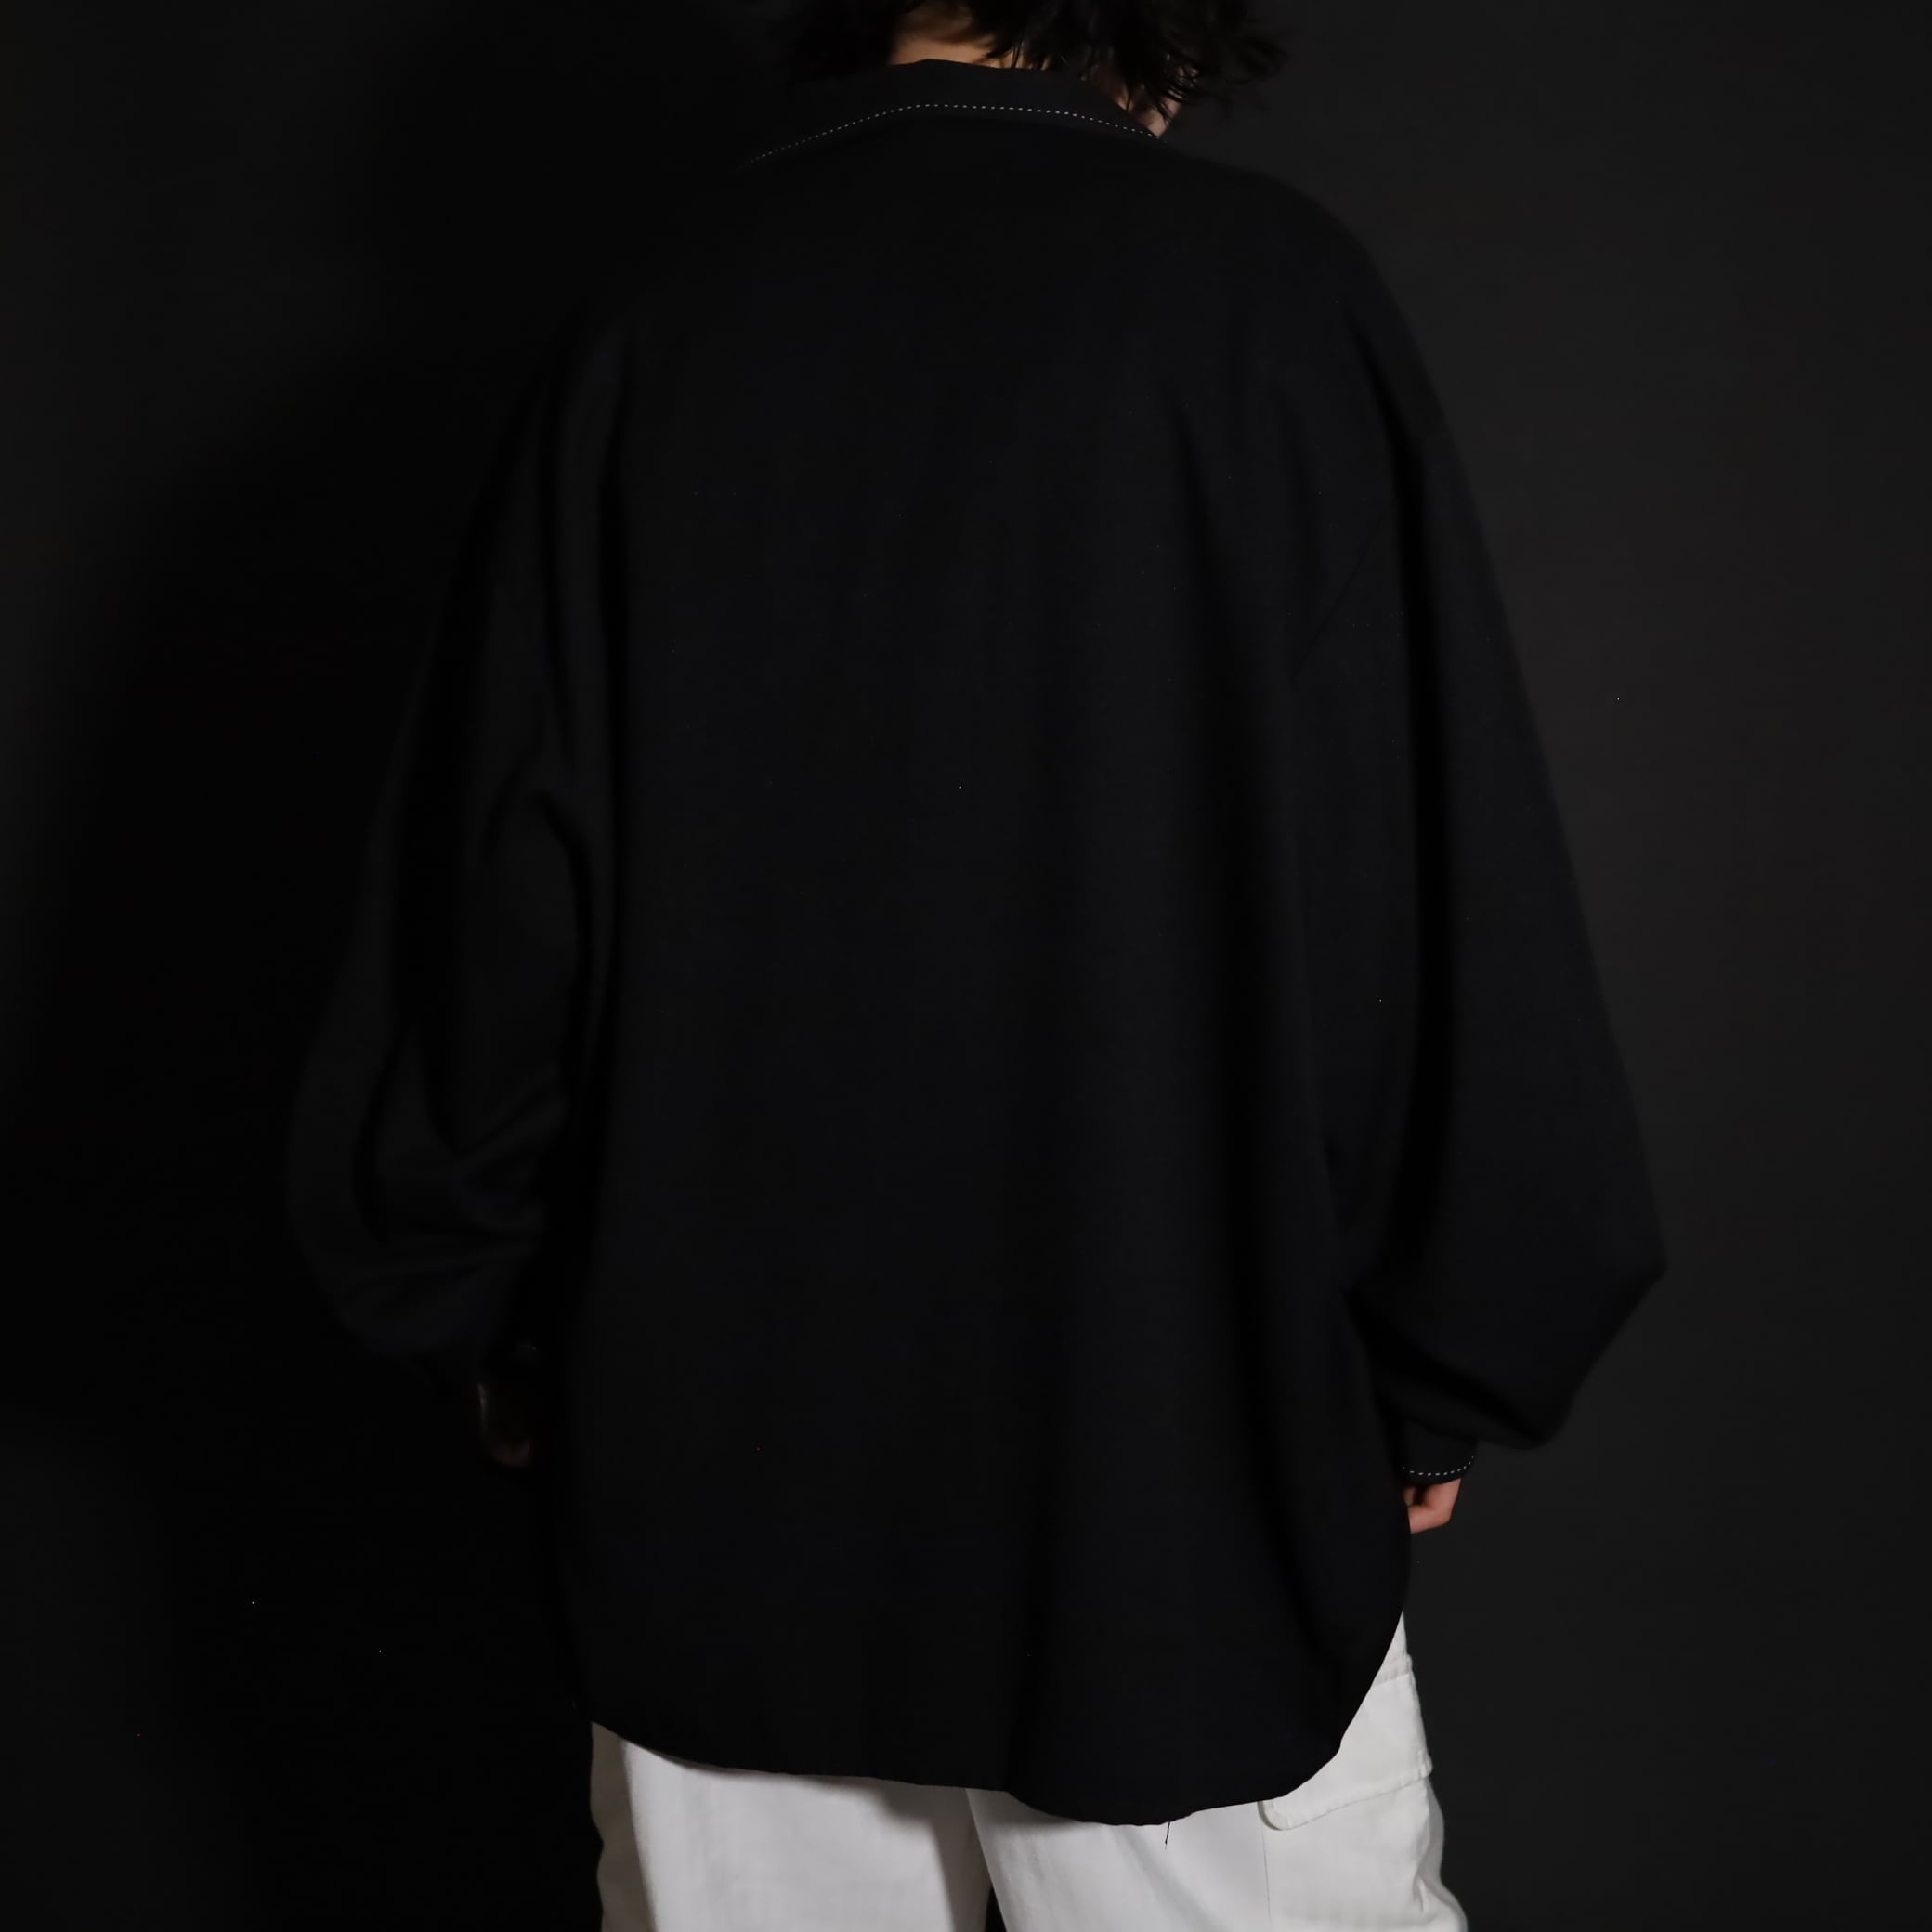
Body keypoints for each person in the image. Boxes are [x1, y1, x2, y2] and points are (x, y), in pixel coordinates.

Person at [284, 2, 1668, 1925]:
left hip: (720, 1482)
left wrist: (495, 1318)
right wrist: (1444, 1362)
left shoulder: (657, 313)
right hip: (1184, 1489)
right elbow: (1419, 875)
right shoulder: (1261, 301)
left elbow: (498, 905)